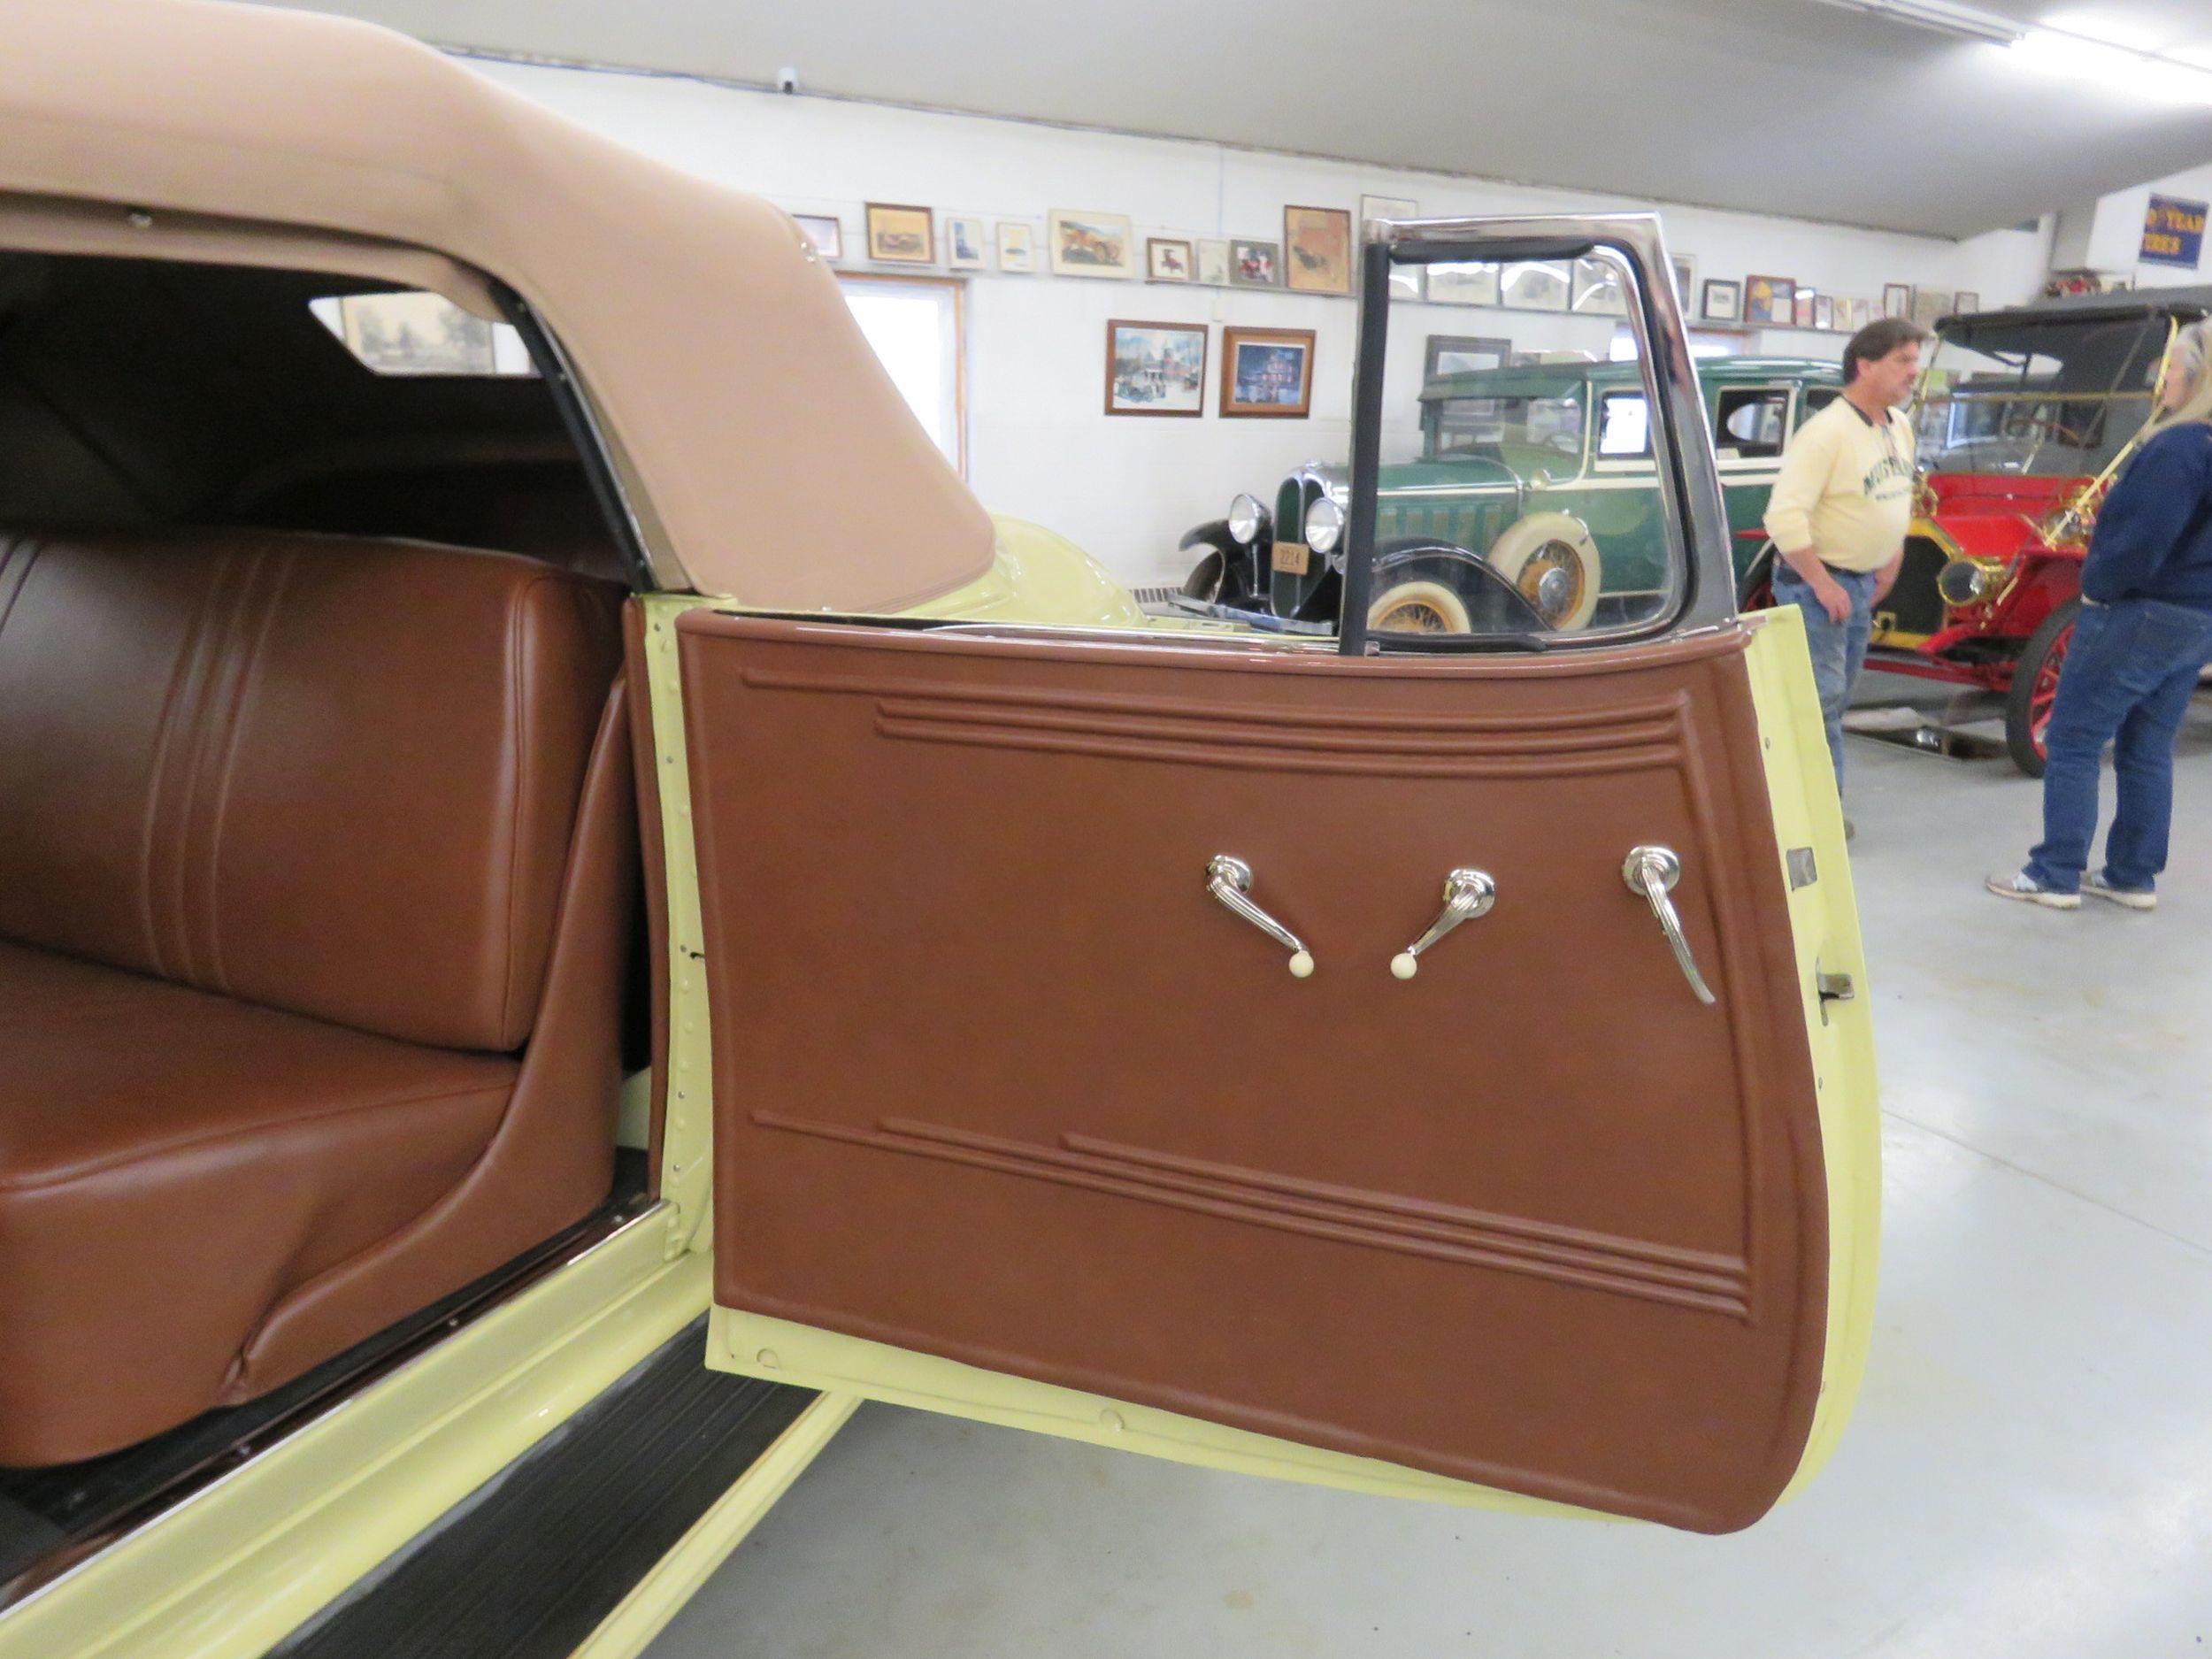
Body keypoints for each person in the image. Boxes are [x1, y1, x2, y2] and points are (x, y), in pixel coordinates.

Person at [1986, 319, 2212, 911]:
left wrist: (2096, 587)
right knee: (2146, 744)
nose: (2162, 379)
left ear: (2194, 375)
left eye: (2169, 368)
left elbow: (2141, 544)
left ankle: (2054, 872)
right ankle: (2132, 874)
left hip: (2139, 611)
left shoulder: (2178, 448)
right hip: (2195, 616)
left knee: (2074, 738)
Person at [1763, 318, 1932, 819]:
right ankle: (1818, 818)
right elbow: (1783, 517)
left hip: (1858, 585)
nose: (1913, 373)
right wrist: (1820, 582)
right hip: (1819, 588)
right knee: (1818, 705)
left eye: (1915, 362)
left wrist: (1893, 553)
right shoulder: (1825, 433)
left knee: (1835, 703)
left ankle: (1810, 809)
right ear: (1865, 365)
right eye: (1903, 361)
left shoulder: (1898, 427)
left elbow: (1896, 493)